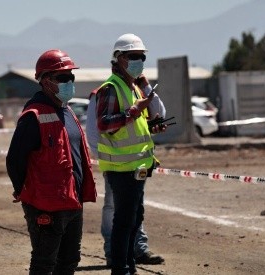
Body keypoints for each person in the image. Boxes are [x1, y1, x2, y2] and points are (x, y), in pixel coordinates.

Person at [6, 49, 97, 275]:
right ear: (45, 81)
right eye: (62, 78)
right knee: (44, 264)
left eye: (71, 77)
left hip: (73, 202)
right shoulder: (34, 115)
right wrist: (24, 193)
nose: (69, 82)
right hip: (45, 205)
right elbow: (15, 159)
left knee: (69, 262)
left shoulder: (67, 112)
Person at [93, 33, 168, 275]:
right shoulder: (111, 88)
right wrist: (135, 111)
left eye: (142, 57)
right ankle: (121, 269)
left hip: (137, 167)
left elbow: (134, 126)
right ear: (118, 59)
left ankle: (129, 266)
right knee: (124, 222)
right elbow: (104, 124)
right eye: (133, 56)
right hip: (121, 169)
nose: (139, 61)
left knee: (134, 219)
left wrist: (151, 125)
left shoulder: (132, 87)